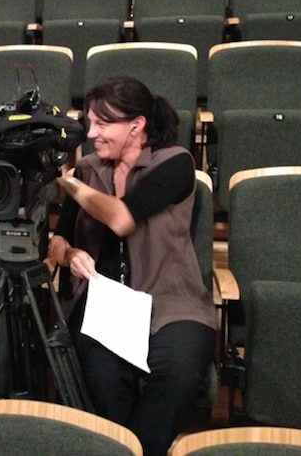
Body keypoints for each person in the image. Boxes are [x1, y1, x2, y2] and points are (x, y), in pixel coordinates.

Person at [48, 76, 216, 456]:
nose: (91, 134)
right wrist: (69, 255)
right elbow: (56, 240)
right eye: (89, 123)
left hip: (172, 301)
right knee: (101, 379)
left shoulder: (175, 163)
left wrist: (71, 186)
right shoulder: (89, 170)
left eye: (102, 124)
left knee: (178, 373)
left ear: (136, 125)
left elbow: (122, 218)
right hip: (105, 304)